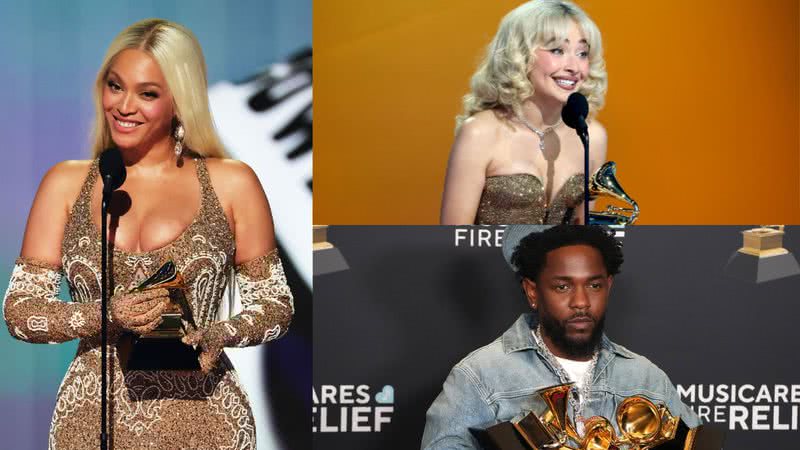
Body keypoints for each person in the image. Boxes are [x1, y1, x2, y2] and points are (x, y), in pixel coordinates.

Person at [2, 19, 294, 449]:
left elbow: (276, 305)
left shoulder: (232, 182)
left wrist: (218, 335)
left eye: (148, 93)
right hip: (92, 417)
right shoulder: (65, 184)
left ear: (179, 101)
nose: (124, 105)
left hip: (206, 416)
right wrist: (106, 316)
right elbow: (20, 311)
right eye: (115, 86)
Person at [421, 225, 700, 449]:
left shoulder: (646, 379)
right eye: (562, 286)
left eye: (594, 285)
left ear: (608, 286)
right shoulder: (480, 376)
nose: (581, 301)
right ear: (532, 291)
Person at [440, 0, 608, 225]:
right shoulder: (479, 132)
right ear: (519, 54)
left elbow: (584, 236)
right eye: (558, 50)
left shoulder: (591, 135)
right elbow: (454, 241)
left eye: (582, 53)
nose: (575, 67)